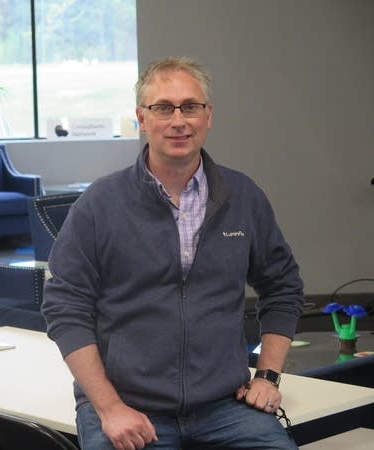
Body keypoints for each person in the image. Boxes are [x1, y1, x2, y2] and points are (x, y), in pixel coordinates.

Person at [41, 56, 304, 450]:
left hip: (225, 406)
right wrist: (110, 407)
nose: (178, 120)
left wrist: (267, 376)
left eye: (190, 106)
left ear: (208, 116)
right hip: (128, 406)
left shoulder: (243, 196)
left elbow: (282, 284)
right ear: (142, 118)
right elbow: (64, 306)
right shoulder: (100, 203)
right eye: (163, 107)